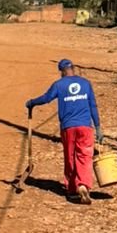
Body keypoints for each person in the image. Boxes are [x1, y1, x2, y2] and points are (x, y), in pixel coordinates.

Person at [26, 58, 101, 204]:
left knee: (70, 156)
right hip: (85, 126)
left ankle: (72, 189)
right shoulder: (86, 83)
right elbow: (93, 105)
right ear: (73, 69)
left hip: (68, 127)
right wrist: (98, 127)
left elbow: (46, 98)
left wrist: (32, 103)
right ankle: (83, 185)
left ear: (62, 72)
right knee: (85, 156)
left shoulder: (59, 84)